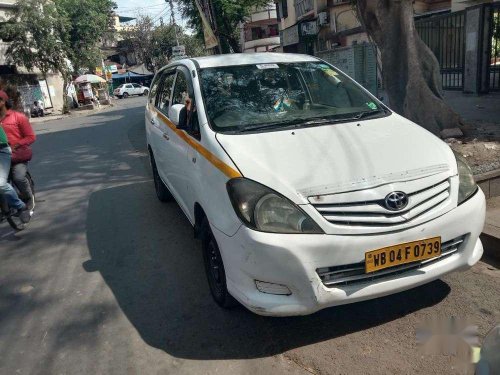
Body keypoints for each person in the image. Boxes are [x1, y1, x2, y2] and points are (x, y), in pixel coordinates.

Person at [0, 90, 36, 211]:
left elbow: (31, 137)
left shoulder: (18, 117)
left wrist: (16, 145)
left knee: (18, 177)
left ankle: (28, 197)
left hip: (17, 156)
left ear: (4, 102)